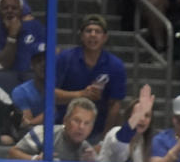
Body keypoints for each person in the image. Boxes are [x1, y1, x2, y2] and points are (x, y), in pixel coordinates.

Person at [54, 14, 126, 144]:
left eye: (97, 31)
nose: (93, 35)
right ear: (81, 36)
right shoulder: (65, 58)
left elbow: (115, 104)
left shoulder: (115, 66)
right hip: (63, 129)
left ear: (105, 37)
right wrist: (81, 94)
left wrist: (104, 140)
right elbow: (51, 94)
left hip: (97, 132)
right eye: (88, 31)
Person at [8, 96, 97, 161]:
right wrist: (35, 159)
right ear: (65, 120)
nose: (81, 127)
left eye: (87, 123)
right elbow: (12, 153)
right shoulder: (44, 133)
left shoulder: (87, 152)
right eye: (77, 120)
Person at [0, 0, 43, 73]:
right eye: (5, 8)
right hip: (6, 80)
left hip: (31, 77)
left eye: (14, 8)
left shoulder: (35, 27)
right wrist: (12, 35)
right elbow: (2, 65)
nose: (9, 11)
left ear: (21, 11)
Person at [98, 84, 155, 162]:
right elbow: (121, 140)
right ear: (129, 116)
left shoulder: (142, 142)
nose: (142, 119)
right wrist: (139, 114)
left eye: (147, 115)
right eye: (137, 113)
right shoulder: (115, 132)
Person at [10, 41, 44, 131]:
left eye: (48, 61)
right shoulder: (21, 91)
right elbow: (27, 123)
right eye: (39, 61)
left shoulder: (63, 88)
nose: (44, 65)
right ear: (32, 65)